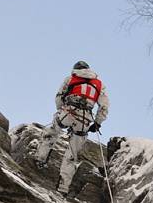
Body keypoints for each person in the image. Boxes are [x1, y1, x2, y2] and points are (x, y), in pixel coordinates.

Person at [35, 60, 109, 195]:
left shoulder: (71, 78)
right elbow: (104, 106)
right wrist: (97, 123)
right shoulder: (99, 84)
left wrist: (60, 110)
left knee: (51, 131)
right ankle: (63, 188)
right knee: (72, 154)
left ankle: (40, 159)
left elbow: (59, 97)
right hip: (85, 119)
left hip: (69, 111)